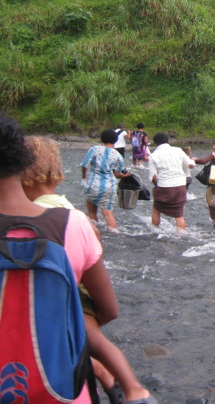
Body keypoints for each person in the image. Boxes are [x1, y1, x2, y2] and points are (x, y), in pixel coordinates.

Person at [20, 136, 156, 404]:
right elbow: (118, 173)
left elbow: (85, 167)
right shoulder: (64, 209)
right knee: (92, 336)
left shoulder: (30, 209)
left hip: (91, 185)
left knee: (93, 210)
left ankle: (111, 381)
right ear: (57, 175)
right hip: (103, 195)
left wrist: (86, 179)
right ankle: (131, 388)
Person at [0, 113, 118, 404]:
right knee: (104, 215)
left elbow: (84, 167)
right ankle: (126, 386)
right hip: (63, 383)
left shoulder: (93, 153)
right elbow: (109, 309)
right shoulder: (71, 222)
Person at [81, 129, 131, 233]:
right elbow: (117, 174)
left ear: (102, 139)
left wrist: (84, 177)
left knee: (92, 211)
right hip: (109, 186)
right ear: (116, 140)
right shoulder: (118, 156)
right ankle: (114, 233)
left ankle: (95, 232)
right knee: (108, 213)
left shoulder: (94, 149)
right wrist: (124, 175)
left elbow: (84, 165)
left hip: (93, 184)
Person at [148, 132, 195, 233]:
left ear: (155, 143)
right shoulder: (178, 150)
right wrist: (192, 160)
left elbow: (153, 177)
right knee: (179, 214)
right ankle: (182, 235)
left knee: (156, 209)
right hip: (180, 186)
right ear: (168, 141)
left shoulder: (153, 156)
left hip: (164, 186)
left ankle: (154, 231)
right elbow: (191, 165)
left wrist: (157, 186)